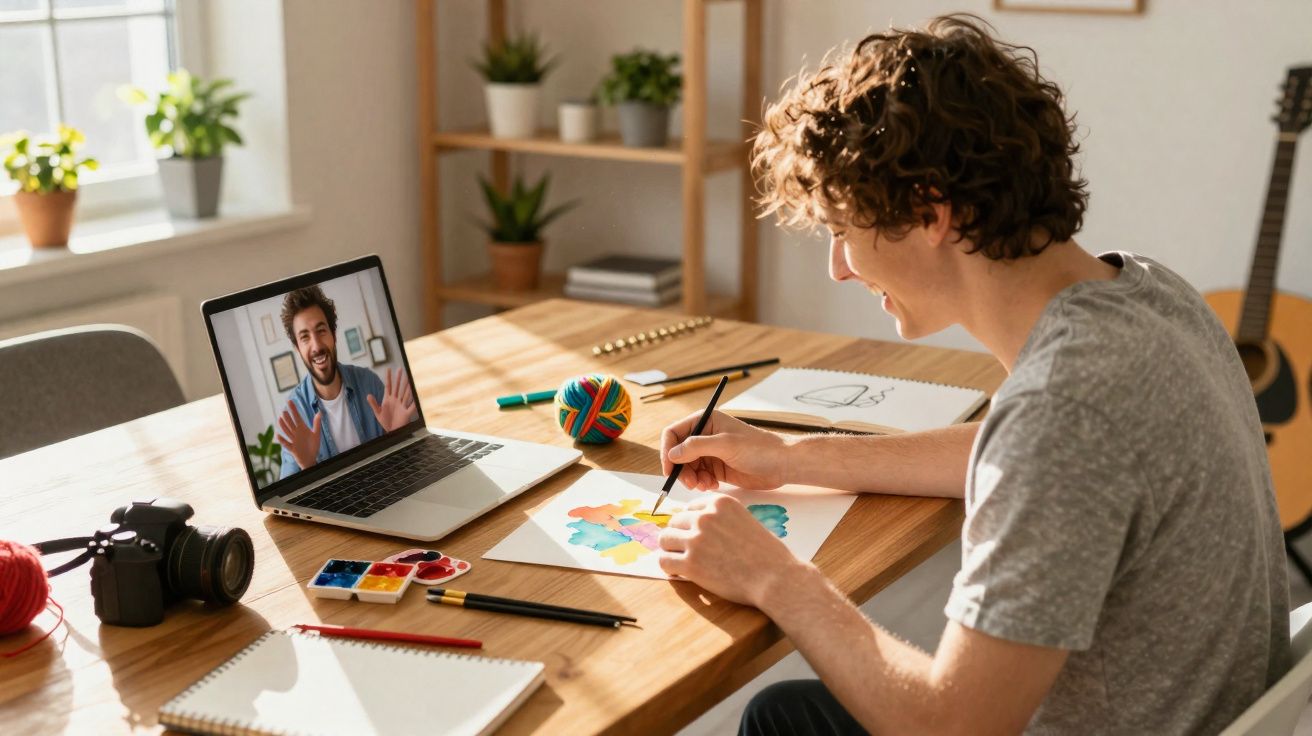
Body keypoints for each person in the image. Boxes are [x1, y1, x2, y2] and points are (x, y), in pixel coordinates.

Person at [655, 15, 1289, 735]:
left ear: (929, 212)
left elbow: (953, 727)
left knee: (781, 718)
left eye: (841, 229)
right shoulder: (1148, 296)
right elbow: (1024, 457)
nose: (838, 267)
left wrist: (776, 578)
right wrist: (792, 456)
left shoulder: (1063, 413)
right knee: (787, 714)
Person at [276, 285, 415, 478]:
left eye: (321, 330)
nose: (316, 346)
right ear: (298, 348)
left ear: (333, 335)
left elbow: (406, 467)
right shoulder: (295, 413)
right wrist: (308, 468)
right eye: (305, 337)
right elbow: (285, 499)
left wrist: (400, 437)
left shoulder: (369, 382)